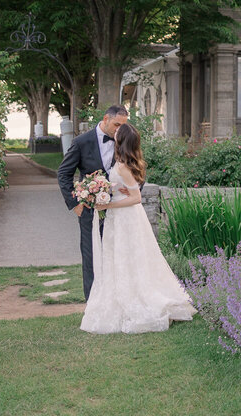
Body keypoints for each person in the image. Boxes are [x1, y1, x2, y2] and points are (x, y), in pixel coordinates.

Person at [80, 123, 197, 333]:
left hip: (126, 218)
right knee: (120, 258)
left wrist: (108, 204)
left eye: (117, 133)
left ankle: (136, 299)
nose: (114, 134)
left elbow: (136, 198)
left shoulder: (124, 166)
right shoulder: (123, 163)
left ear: (122, 140)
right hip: (120, 217)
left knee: (128, 258)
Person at [57, 105, 129, 300]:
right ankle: (93, 304)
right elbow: (64, 174)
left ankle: (117, 300)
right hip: (89, 210)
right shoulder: (81, 142)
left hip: (119, 210)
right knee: (91, 257)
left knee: (117, 255)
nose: (119, 130)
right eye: (116, 124)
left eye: (123, 126)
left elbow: (137, 170)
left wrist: (131, 192)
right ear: (106, 119)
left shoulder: (124, 140)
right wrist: (75, 204)